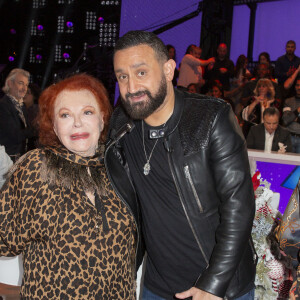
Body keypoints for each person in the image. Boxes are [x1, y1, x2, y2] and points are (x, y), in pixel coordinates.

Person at [111, 30, 256, 300]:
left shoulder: (211, 118)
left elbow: (239, 207)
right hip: (157, 287)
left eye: (141, 72)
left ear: (168, 69)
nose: (131, 88)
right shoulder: (121, 125)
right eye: (122, 76)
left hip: (219, 288)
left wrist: (213, 284)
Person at [0, 73, 142, 299]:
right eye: (65, 115)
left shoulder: (120, 166)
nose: (77, 122)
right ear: (54, 126)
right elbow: (6, 240)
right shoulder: (36, 168)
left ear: (103, 119)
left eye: (87, 112)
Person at [0, 68, 35, 162]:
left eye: (26, 85)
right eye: (20, 83)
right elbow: (15, 136)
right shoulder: (3, 106)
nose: (24, 88)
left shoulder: (21, 105)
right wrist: (37, 128)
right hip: (8, 161)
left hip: (21, 158)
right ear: (10, 83)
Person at [282, 77, 300, 153]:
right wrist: (298, 110)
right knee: (287, 164)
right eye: (297, 85)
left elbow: (290, 118)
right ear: (294, 87)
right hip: (289, 138)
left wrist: (294, 117)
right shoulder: (288, 101)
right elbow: (286, 120)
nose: (299, 87)